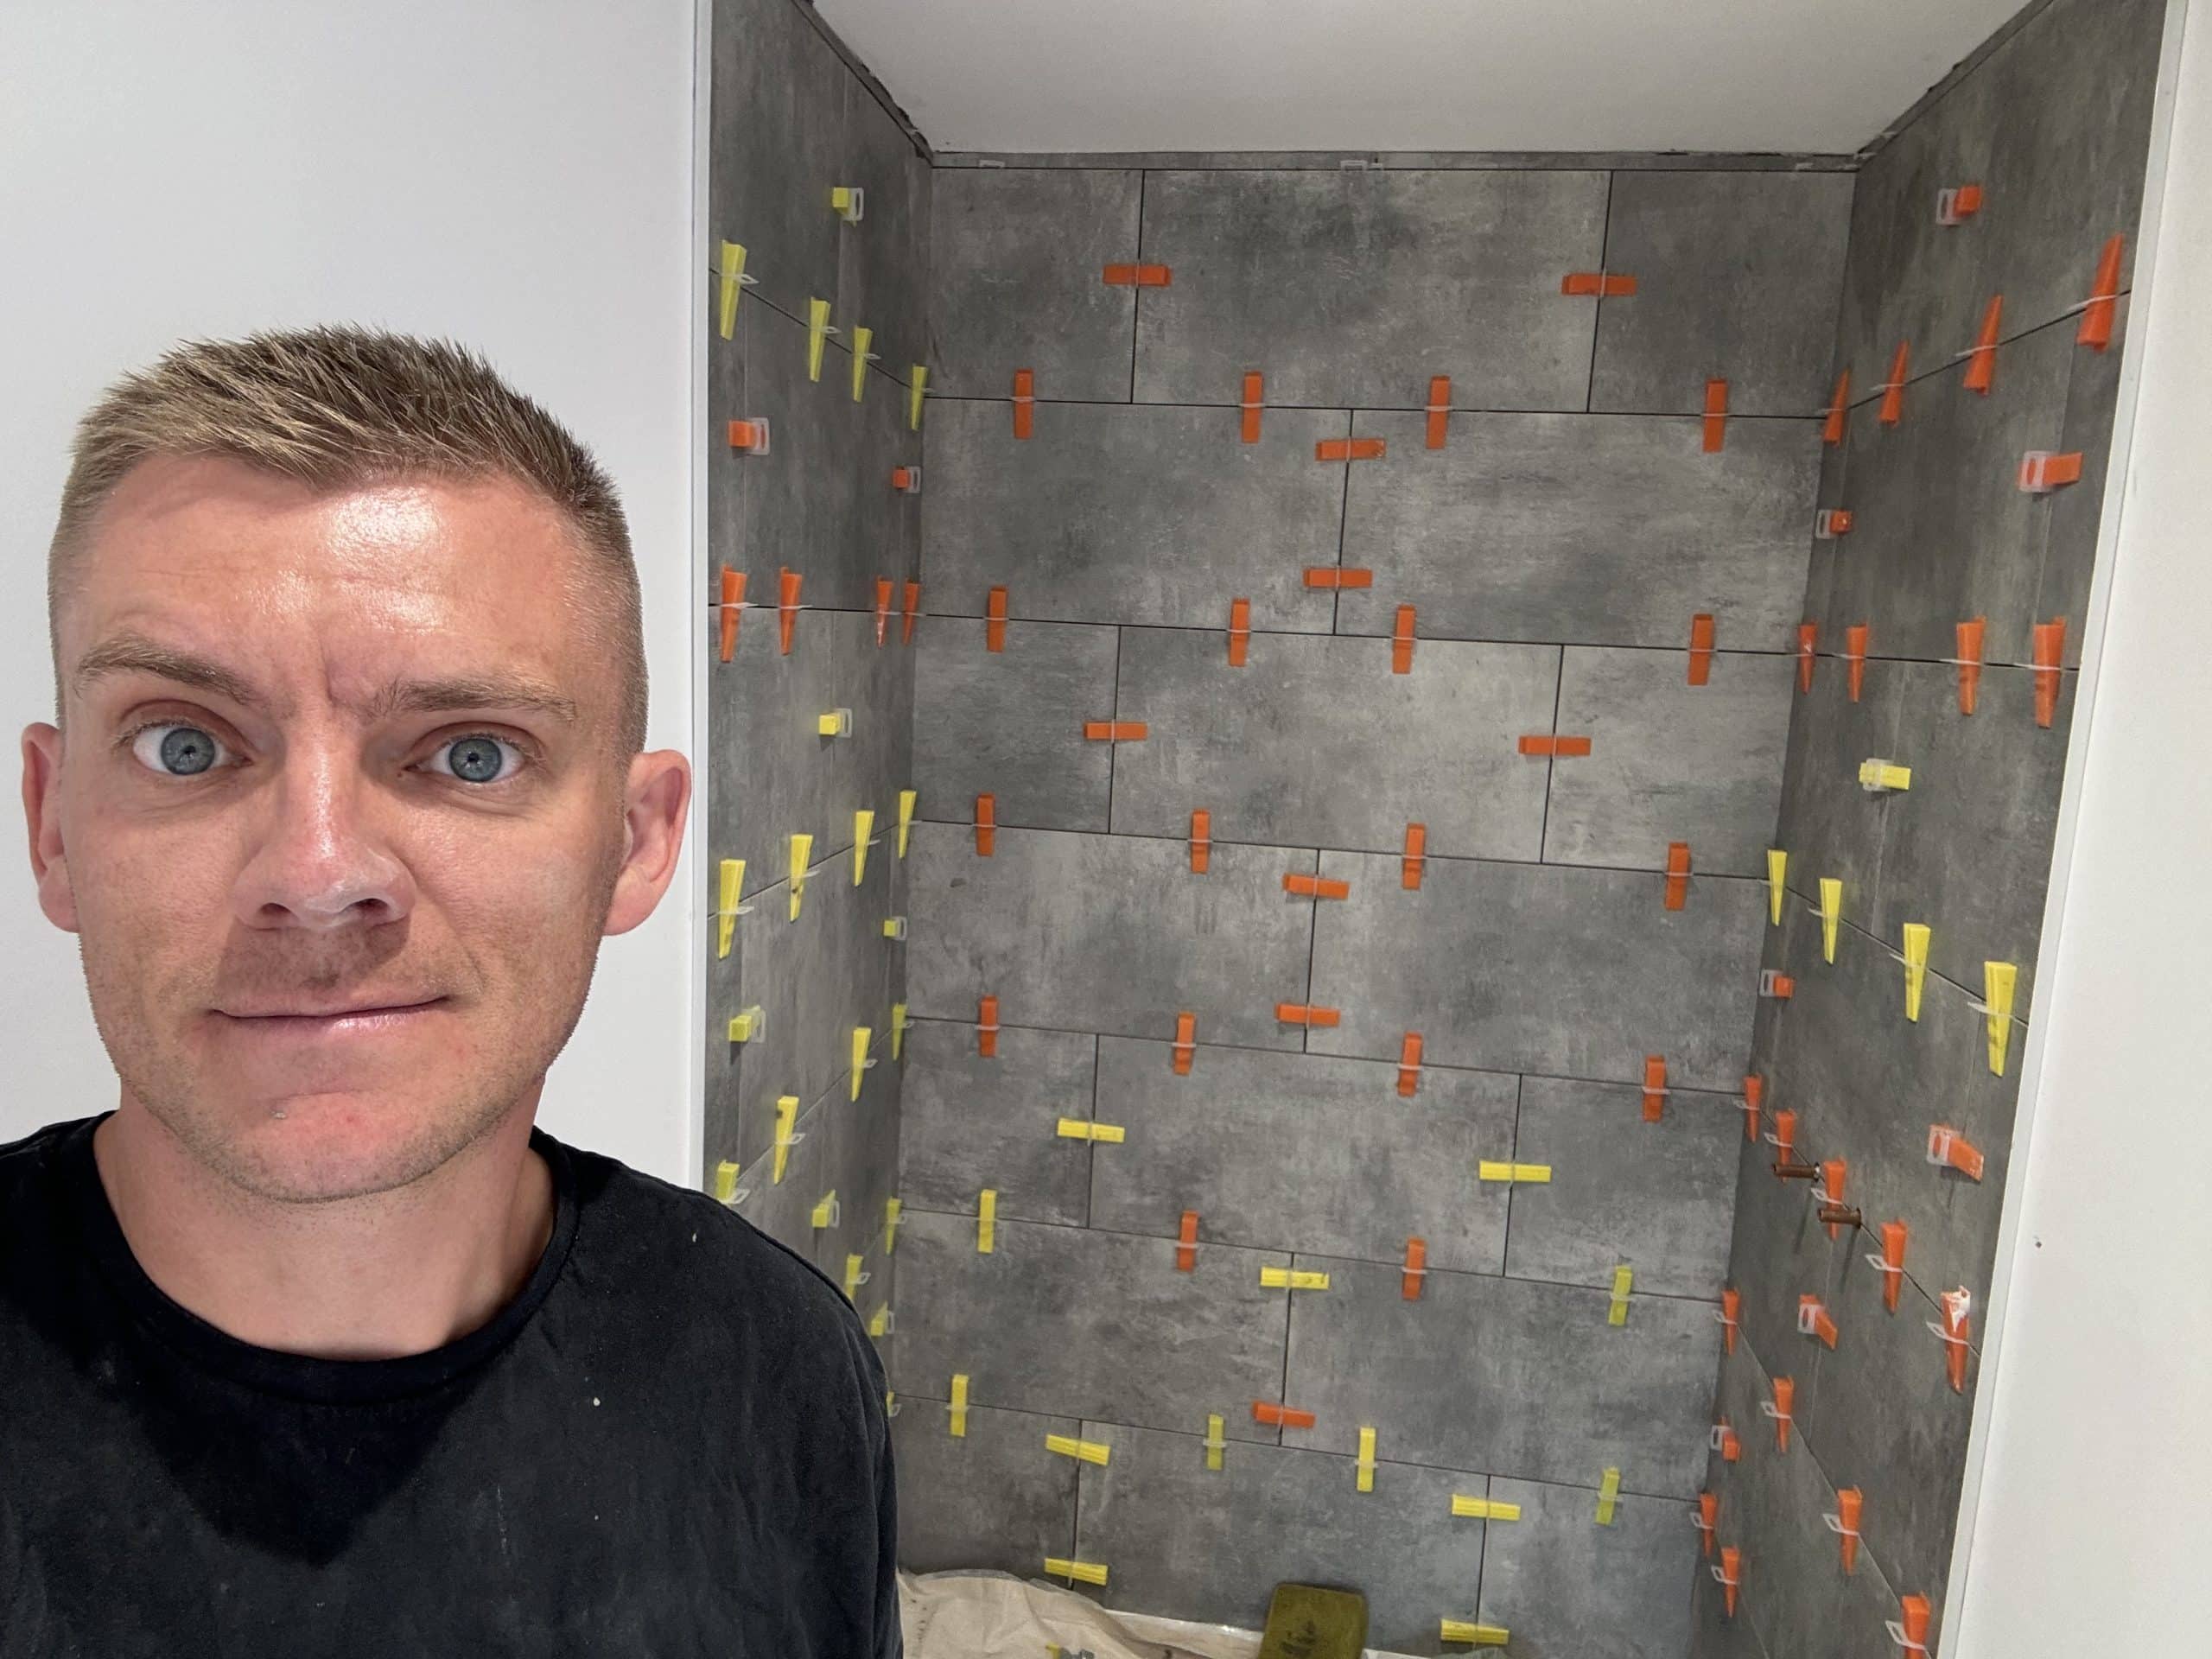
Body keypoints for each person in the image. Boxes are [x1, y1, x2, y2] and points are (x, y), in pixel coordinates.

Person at [0, 327, 899, 1656]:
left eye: (472, 753)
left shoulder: (783, 1365)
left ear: (634, 844)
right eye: (184, 745)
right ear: (54, 827)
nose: (317, 875)